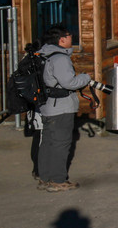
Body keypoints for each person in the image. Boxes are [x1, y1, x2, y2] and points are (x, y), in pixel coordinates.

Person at [36, 26, 107, 193]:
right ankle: (59, 180)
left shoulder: (44, 54)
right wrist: (85, 77)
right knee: (61, 144)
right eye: (69, 36)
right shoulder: (60, 59)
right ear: (61, 39)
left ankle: (44, 178)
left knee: (47, 143)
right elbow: (70, 83)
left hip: (47, 106)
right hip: (60, 107)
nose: (71, 38)